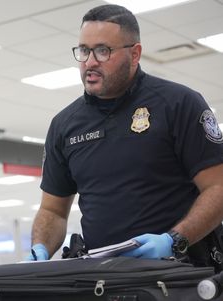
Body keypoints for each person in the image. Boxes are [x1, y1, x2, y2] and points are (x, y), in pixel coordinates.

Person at [28, 4, 223, 268]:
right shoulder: (64, 125)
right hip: (105, 279)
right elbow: (52, 211)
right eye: (84, 50)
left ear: (135, 54)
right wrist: (40, 246)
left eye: (103, 50)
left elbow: (218, 188)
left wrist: (174, 239)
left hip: (181, 273)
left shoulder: (178, 104)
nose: (90, 62)